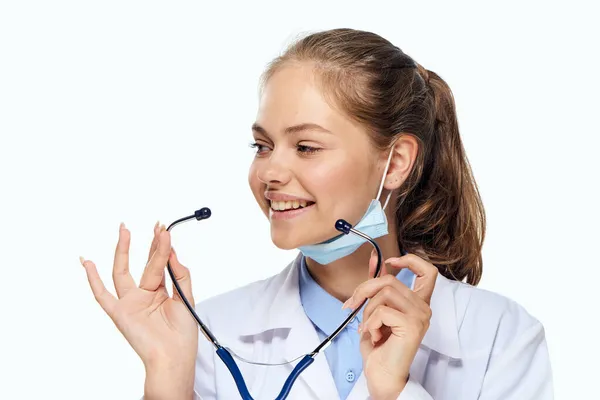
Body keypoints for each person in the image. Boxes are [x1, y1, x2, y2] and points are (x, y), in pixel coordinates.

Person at [80, 28, 553, 399]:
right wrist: (166, 379)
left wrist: (395, 392)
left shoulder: (499, 337)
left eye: (306, 147)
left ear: (397, 163)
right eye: (262, 145)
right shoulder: (209, 332)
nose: (269, 172)